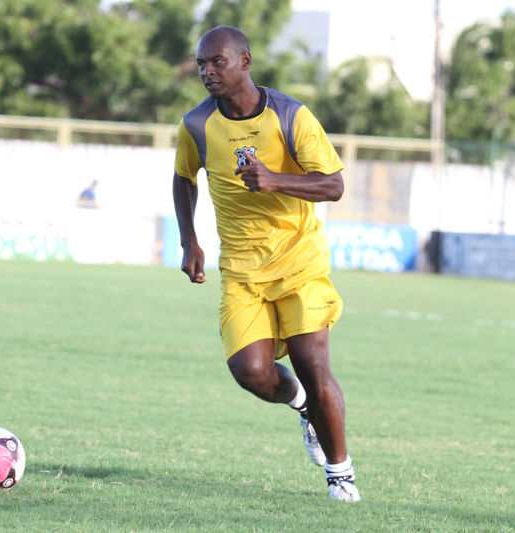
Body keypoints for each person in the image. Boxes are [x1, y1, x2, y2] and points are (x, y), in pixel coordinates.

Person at [172, 26, 360, 502]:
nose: (207, 71)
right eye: (201, 64)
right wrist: (189, 240)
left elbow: (334, 185)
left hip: (300, 261)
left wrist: (277, 180)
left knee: (313, 364)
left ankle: (341, 477)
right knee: (250, 372)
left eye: (217, 62)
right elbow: (183, 178)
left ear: (245, 62)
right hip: (241, 269)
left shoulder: (291, 115)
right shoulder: (196, 125)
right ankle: (302, 407)